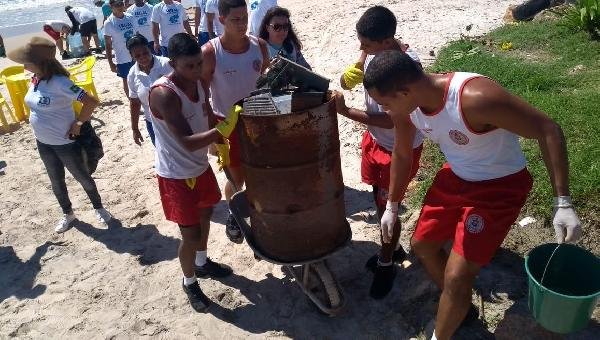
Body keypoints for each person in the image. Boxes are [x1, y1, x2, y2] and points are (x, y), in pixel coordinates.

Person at [363, 50, 583, 340]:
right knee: (423, 246)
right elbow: (402, 154)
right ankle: (458, 304)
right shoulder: (407, 108)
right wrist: (392, 204)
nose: (385, 111)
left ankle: (442, 329)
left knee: (457, 276)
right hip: (455, 176)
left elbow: (548, 129)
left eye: (385, 104)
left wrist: (563, 202)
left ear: (404, 91)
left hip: (499, 185)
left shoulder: (475, 98)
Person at [336, 5, 424, 299]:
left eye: (366, 46)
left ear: (386, 44)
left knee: (390, 206)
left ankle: (386, 263)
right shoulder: (378, 53)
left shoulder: (405, 69)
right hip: (375, 140)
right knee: (378, 197)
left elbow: (392, 119)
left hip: (397, 148)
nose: (362, 50)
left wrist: (346, 111)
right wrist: (358, 63)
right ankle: (395, 248)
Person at [148, 33, 238, 312]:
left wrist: (219, 139)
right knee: (189, 235)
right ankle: (189, 282)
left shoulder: (198, 80)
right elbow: (186, 142)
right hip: (175, 174)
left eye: (199, 63)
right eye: (189, 66)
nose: (198, 70)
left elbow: (207, 112)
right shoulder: (163, 94)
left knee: (206, 214)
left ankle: (202, 263)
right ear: (173, 63)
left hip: (200, 167)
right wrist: (222, 129)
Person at [7, 37, 113, 233]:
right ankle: (68, 214)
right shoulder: (35, 79)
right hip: (43, 143)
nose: (23, 63)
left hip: (65, 143)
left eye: (26, 60)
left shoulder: (60, 82)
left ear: (39, 63)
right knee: (56, 180)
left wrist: (78, 123)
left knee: (83, 177)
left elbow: (90, 101)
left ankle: (99, 208)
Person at [201, 0, 269, 243]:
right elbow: (202, 94)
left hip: (258, 120)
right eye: (235, 20)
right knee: (235, 178)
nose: (242, 24)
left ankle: (262, 214)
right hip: (227, 123)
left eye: (244, 18)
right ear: (221, 20)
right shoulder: (211, 52)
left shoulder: (259, 46)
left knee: (261, 173)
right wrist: (212, 128)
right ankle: (233, 213)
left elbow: (266, 83)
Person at [126, 33, 172, 146]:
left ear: (149, 48)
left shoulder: (167, 64)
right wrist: (135, 129)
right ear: (131, 56)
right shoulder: (132, 74)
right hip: (153, 123)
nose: (142, 57)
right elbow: (135, 102)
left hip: (174, 119)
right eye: (137, 56)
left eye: (145, 53)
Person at [104, 0, 136, 96]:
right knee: (127, 80)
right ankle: (132, 102)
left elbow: (137, 35)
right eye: (116, 5)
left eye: (121, 4)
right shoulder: (109, 23)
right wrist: (111, 63)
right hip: (122, 58)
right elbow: (108, 45)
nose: (119, 7)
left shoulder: (130, 17)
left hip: (136, 55)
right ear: (111, 7)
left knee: (140, 77)